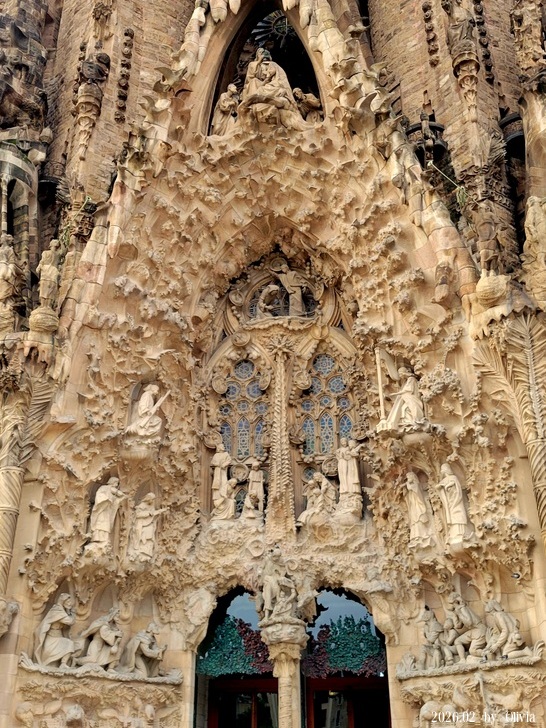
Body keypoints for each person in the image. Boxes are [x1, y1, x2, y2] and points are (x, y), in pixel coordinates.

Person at [240, 48, 307, 131]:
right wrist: (259, 62)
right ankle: (252, 102)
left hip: (271, 85)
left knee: (270, 92)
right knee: (254, 82)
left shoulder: (272, 65)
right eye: (260, 53)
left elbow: (272, 74)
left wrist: (267, 79)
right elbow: (251, 76)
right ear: (257, 55)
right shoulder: (254, 65)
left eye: (263, 53)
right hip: (261, 84)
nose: (262, 55)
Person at [34, 593, 76, 667]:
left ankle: (63, 664)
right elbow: (70, 621)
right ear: (63, 601)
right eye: (68, 602)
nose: (69, 604)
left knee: (70, 643)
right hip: (51, 639)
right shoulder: (57, 610)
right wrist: (72, 612)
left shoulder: (62, 611)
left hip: (58, 637)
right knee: (69, 643)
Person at [87, 477, 126, 550]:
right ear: (112, 482)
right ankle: (96, 539)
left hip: (107, 510)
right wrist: (107, 499)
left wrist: (116, 499)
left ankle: (104, 539)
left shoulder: (112, 490)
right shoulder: (105, 488)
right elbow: (99, 496)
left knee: (106, 524)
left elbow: (122, 495)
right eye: (116, 482)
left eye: (117, 483)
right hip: (102, 508)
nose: (116, 484)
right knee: (99, 523)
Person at [437, 463, 471, 545]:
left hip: (456, 499)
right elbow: (438, 487)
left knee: (458, 514)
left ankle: (462, 532)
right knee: (452, 516)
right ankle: (454, 533)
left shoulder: (453, 477)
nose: (441, 471)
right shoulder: (444, 480)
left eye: (442, 469)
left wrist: (448, 485)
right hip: (450, 501)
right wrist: (441, 486)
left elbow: (456, 486)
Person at [128, 494, 168, 560]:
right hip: (140, 523)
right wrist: (148, 513)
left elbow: (153, 514)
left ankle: (147, 552)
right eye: (152, 499)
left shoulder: (151, 506)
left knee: (149, 535)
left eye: (154, 500)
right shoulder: (142, 505)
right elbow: (137, 514)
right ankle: (136, 549)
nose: (153, 501)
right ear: (148, 499)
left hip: (149, 524)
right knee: (139, 532)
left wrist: (158, 512)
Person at [405, 471, 432, 547]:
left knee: (419, 520)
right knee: (414, 522)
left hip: (418, 505)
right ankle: (415, 537)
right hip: (414, 506)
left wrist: (407, 484)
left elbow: (410, 488)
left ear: (413, 477)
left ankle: (422, 536)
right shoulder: (413, 486)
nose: (408, 479)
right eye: (407, 478)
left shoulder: (415, 485)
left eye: (409, 477)